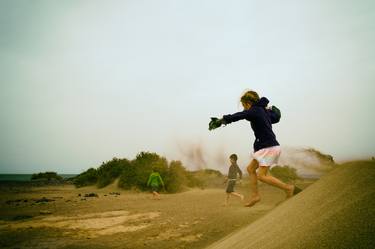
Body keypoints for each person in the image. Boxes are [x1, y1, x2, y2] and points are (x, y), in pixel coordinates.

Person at [209, 90, 301, 207]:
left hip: (268, 147)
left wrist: (221, 120)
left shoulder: (255, 110)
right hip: (267, 146)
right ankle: (255, 196)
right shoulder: (262, 111)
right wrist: (272, 109)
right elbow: (276, 117)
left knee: (262, 176)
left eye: (244, 106)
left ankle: (289, 188)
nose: (244, 109)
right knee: (250, 169)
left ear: (248, 103)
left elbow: (239, 116)